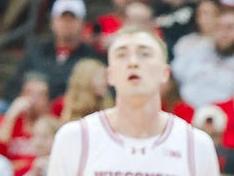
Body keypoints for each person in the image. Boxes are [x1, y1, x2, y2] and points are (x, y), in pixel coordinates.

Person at [47, 29, 218, 175]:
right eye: (121, 54)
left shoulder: (196, 145)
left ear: (165, 73)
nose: (133, 62)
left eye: (144, 54)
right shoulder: (74, 138)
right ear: (110, 75)